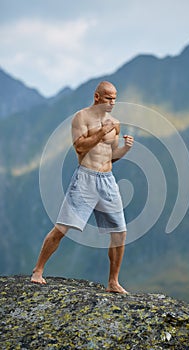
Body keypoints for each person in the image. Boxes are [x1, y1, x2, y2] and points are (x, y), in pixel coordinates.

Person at [31, 81, 134, 293]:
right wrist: (100, 132)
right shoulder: (82, 117)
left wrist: (125, 149)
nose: (112, 102)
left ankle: (113, 282)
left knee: (119, 233)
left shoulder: (115, 122)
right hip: (85, 179)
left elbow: (110, 156)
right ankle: (38, 270)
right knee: (62, 228)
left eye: (114, 98)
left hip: (107, 180)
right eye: (108, 98)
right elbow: (79, 147)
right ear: (97, 97)